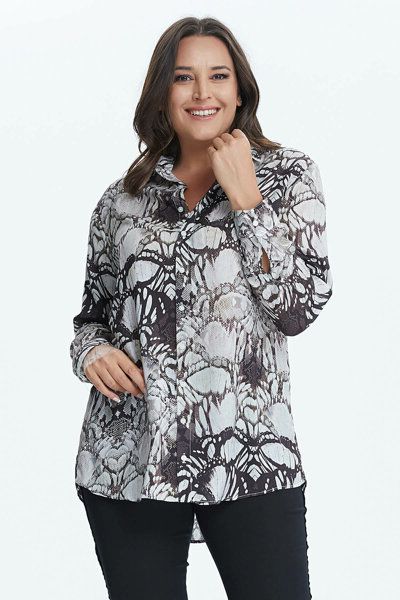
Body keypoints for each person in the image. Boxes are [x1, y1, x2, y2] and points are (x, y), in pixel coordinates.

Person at [69, 16, 333, 600]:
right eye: (183, 77)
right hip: (128, 462)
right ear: (163, 92)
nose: (201, 92)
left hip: (251, 456)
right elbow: (92, 318)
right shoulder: (121, 199)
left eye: (218, 76)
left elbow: (300, 306)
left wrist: (245, 198)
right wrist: (92, 353)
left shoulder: (288, 176)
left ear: (240, 90)